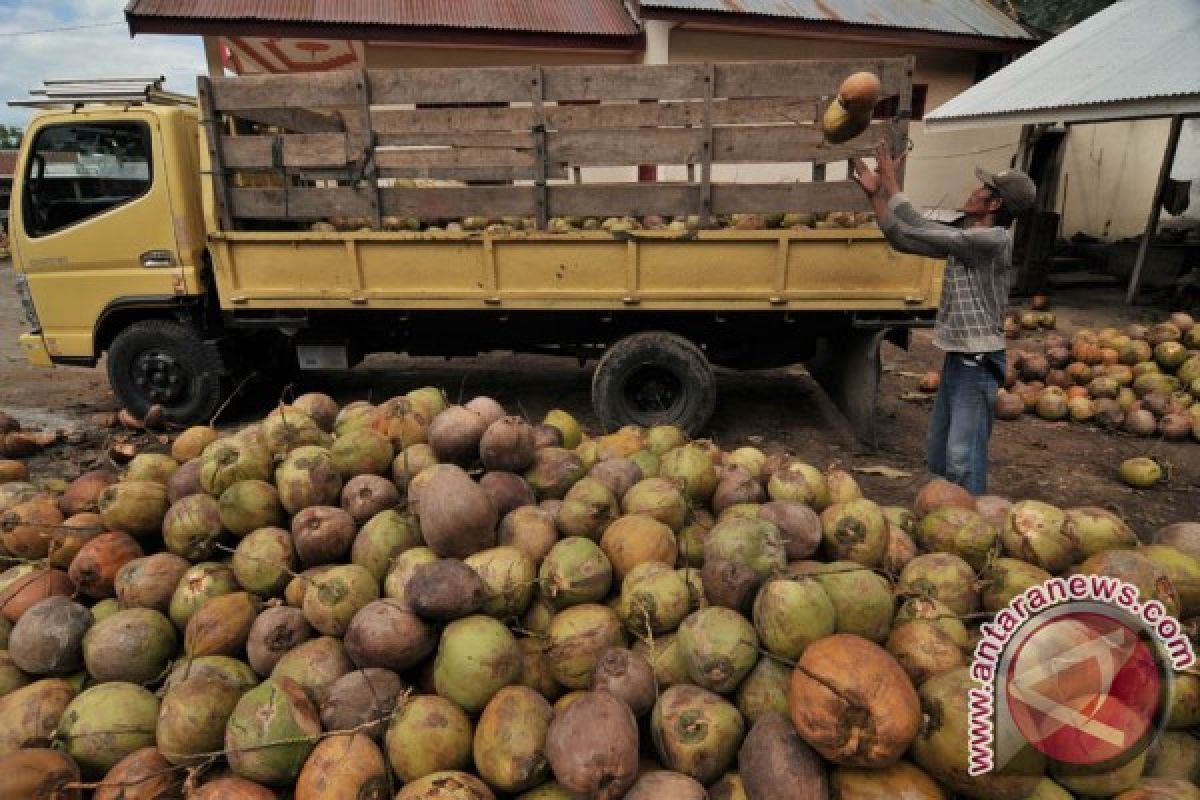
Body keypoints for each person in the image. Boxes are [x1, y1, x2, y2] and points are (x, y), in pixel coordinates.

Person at [852, 141, 1036, 495]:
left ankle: (970, 525)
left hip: (978, 361)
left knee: (962, 456)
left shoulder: (992, 241)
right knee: (939, 451)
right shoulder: (965, 237)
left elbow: (914, 231)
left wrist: (891, 185)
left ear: (995, 204)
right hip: (960, 358)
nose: (974, 190)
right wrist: (877, 194)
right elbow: (903, 236)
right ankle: (942, 519)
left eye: (983, 188)